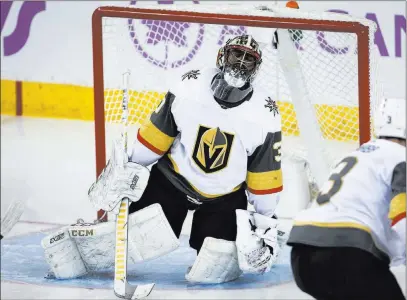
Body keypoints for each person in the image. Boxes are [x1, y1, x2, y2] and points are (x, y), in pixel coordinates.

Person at [41, 35, 287, 283]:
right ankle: (81, 250)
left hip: (224, 198)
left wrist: (265, 223)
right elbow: (156, 137)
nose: (241, 63)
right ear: (223, 56)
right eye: (237, 55)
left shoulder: (264, 114)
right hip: (171, 183)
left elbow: (264, 174)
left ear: (256, 68)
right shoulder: (189, 87)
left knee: (217, 267)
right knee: (129, 239)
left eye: (249, 60)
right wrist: (129, 166)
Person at [287, 97, 406, 300]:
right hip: (345, 255)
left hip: (301, 256)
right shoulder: (400, 157)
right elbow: (402, 217)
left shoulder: (358, 154)